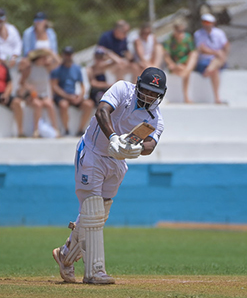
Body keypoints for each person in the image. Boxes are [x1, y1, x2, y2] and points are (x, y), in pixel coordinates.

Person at [52, 67, 166, 285]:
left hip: (117, 161)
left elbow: (151, 143)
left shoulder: (155, 118)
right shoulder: (123, 89)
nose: (149, 96)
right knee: (92, 209)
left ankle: (65, 255)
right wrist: (113, 137)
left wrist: (138, 148)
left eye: (154, 93)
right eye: (147, 90)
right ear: (138, 84)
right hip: (93, 152)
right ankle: (95, 271)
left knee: (98, 212)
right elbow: (102, 111)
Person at [51, 46, 94, 137]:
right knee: (63, 105)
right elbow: (54, 86)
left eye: (69, 54)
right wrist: (66, 96)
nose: (68, 56)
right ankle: (66, 129)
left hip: (73, 95)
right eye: (66, 54)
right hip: (63, 96)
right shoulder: (57, 70)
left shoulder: (77, 69)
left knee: (89, 104)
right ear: (63, 55)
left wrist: (80, 97)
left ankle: (80, 130)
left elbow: (82, 86)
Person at [20, 48, 59, 138]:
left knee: (50, 105)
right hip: (32, 96)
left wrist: (51, 52)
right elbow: (22, 82)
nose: (45, 59)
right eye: (43, 57)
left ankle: (55, 129)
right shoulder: (30, 68)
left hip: (43, 95)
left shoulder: (46, 68)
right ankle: (36, 130)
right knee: (38, 105)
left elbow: (57, 62)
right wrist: (29, 88)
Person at [194, 13, 230, 105]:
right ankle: (217, 97)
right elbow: (201, 49)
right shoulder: (198, 34)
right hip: (205, 61)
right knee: (215, 69)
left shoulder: (219, 33)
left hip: (218, 60)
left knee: (216, 61)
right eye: (205, 22)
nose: (206, 24)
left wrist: (223, 54)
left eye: (208, 22)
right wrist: (216, 52)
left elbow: (226, 45)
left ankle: (209, 69)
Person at [163, 20, 198, 104]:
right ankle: (186, 97)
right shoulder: (170, 39)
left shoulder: (187, 38)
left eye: (182, 30)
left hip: (185, 63)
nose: (181, 33)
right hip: (174, 64)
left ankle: (187, 70)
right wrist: (172, 64)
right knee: (185, 72)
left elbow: (191, 52)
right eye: (179, 31)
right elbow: (166, 54)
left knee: (194, 54)